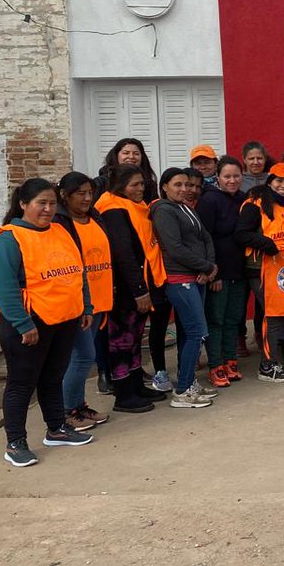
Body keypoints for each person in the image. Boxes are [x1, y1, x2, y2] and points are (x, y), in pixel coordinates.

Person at [0, 179, 95, 467]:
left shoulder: (60, 230)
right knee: (21, 384)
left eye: (51, 203)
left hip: (64, 319)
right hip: (29, 323)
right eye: (40, 203)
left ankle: (57, 428)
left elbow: (77, 270)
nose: (48, 209)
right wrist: (23, 324)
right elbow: (4, 288)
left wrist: (85, 305)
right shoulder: (9, 239)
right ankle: (15, 443)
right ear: (23, 204)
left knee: (52, 378)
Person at [95, 164, 166, 413]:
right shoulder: (113, 208)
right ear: (120, 186)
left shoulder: (137, 206)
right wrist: (139, 290)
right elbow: (123, 253)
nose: (140, 188)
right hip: (125, 288)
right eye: (134, 185)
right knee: (121, 340)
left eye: (142, 184)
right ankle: (123, 393)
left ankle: (136, 384)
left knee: (135, 338)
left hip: (142, 281)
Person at [150, 168, 217, 408]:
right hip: (180, 279)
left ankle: (188, 382)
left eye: (187, 185)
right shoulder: (163, 211)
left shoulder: (187, 208)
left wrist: (208, 267)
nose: (184, 189)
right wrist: (206, 266)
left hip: (197, 276)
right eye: (177, 184)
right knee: (196, 331)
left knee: (192, 332)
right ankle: (183, 391)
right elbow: (175, 247)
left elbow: (206, 238)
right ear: (165, 187)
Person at [54, 172, 113, 432]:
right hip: (78, 301)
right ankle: (66, 412)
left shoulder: (94, 217)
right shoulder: (60, 224)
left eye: (90, 192)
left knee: (84, 356)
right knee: (83, 356)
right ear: (64, 195)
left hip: (99, 298)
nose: (88, 198)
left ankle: (78, 406)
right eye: (81, 193)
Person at [235, 162, 284, 383]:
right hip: (259, 267)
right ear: (270, 181)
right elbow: (241, 234)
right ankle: (267, 365)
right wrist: (265, 243)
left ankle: (272, 358)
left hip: (282, 268)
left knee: (277, 315)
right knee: (272, 315)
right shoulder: (255, 203)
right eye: (279, 181)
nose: (283, 186)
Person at [197, 155, 247, 389]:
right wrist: (212, 273)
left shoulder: (244, 199)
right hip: (218, 272)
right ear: (218, 177)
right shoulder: (209, 201)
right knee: (215, 320)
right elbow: (204, 238)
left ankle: (230, 360)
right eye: (227, 176)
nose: (232, 180)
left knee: (233, 319)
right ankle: (215, 365)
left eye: (236, 176)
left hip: (240, 271)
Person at [95, 138, 157, 203]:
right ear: (116, 155)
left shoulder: (149, 184)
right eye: (126, 153)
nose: (131, 157)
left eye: (136, 153)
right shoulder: (101, 183)